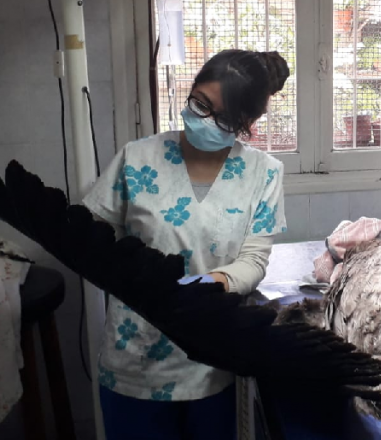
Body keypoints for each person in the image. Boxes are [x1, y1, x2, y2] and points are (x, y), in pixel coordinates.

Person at [82, 49, 290, 439]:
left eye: (223, 117)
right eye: (200, 103)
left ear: (246, 123)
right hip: (133, 359)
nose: (205, 119)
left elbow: (253, 260)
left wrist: (210, 286)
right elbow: (90, 233)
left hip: (209, 361)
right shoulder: (137, 158)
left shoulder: (264, 174)